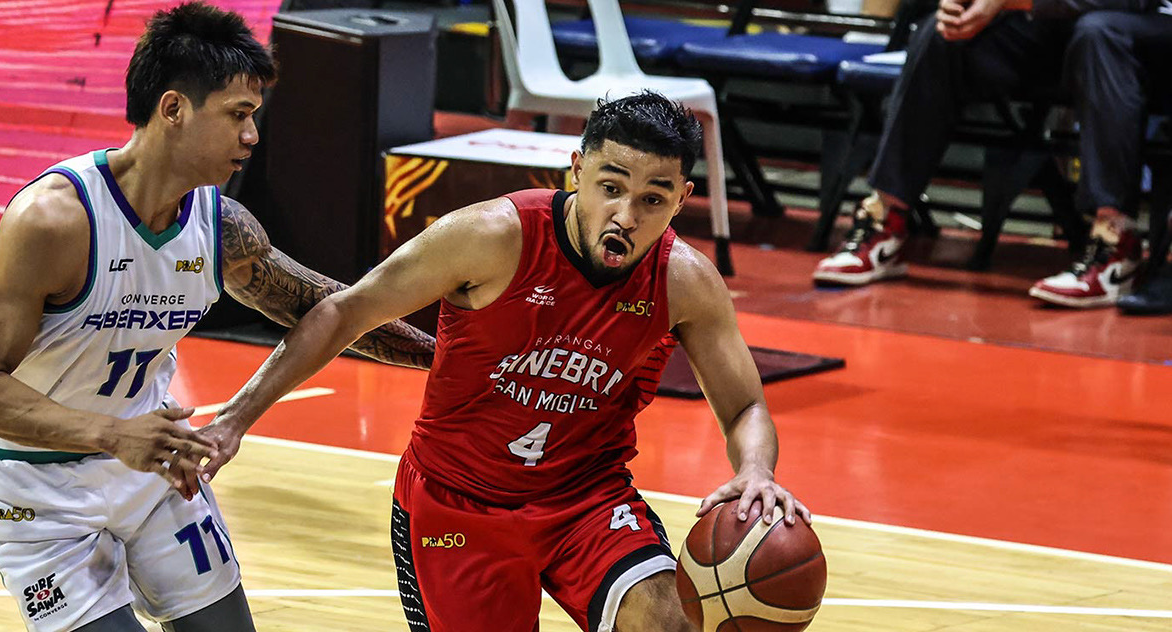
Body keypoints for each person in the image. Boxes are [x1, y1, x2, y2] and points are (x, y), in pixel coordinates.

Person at [194, 92, 810, 632]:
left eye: (653, 199)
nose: (626, 216)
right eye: (611, 187)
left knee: (668, 623)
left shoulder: (685, 282)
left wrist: (757, 470)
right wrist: (235, 418)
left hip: (588, 501)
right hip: (456, 506)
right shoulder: (492, 236)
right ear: (577, 170)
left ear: (682, 199)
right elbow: (342, 313)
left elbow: (745, 405)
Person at [0, 3, 434, 631]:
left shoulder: (221, 227)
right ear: (173, 108)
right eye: (238, 115)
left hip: (155, 467)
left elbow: (333, 310)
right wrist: (112, 434)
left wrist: (444, 355)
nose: (252, 136)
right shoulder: (55, 222)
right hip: (35, 485)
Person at [813, 0, 1172, 309]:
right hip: (1051, 29)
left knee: (1099, 32)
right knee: (940, 34)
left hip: (1142, 30)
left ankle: (1115, 241)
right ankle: (886, 221)